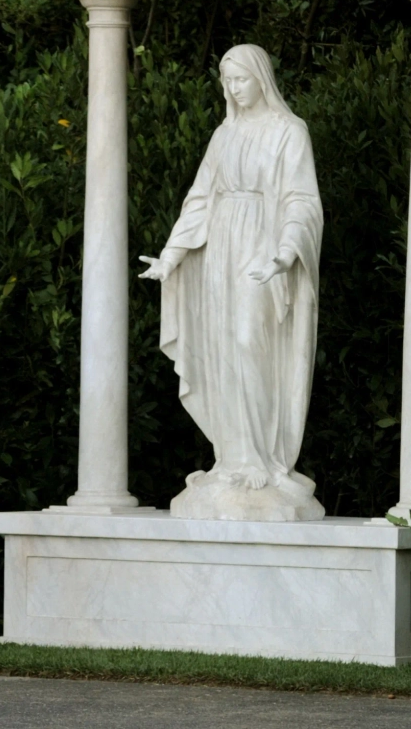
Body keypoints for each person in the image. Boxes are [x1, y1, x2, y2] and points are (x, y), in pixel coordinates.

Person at [138, 43, 325, 520]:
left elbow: (301, 200)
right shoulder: (225, 133)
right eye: (227, 81)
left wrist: (285, 254)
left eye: (241, 79)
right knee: (223, 347)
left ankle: (263, 457)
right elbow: (200, 197)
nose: (234, 89)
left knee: (250, 342)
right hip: (220, 252)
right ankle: (234, 459)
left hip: (263, 250)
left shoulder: (289, 132)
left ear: (261, 77)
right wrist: (171, 255)